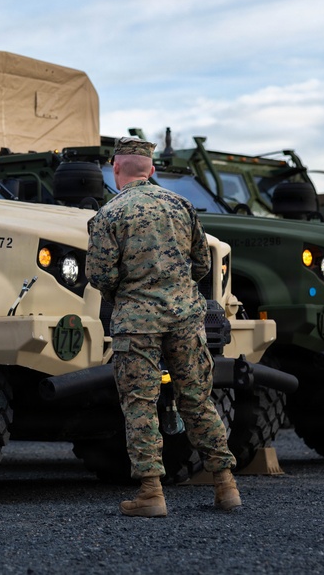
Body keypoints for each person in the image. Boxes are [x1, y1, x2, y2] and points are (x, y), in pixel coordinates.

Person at [86, 135, 241, 517]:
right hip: (186, 318)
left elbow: (99, 275)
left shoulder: (108, 214)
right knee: (197, 400)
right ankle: (226, 485)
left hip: (136, 322)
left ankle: (151, 494)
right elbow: (202, 264)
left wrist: (130, 289)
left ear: (115, 169)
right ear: (152, 170)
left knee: (140, 404)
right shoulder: (181, 206)